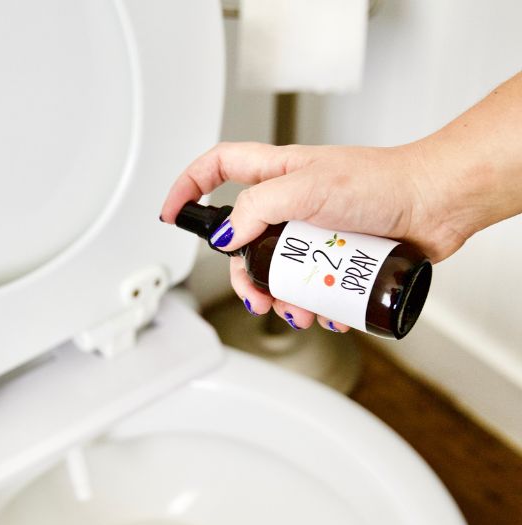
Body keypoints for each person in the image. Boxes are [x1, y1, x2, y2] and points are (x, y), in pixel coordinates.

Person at [159, 70, 522, 332]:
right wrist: (420, 194)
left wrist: (421, 192)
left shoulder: (274, 230)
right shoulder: (257, 261)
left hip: (402, 269)